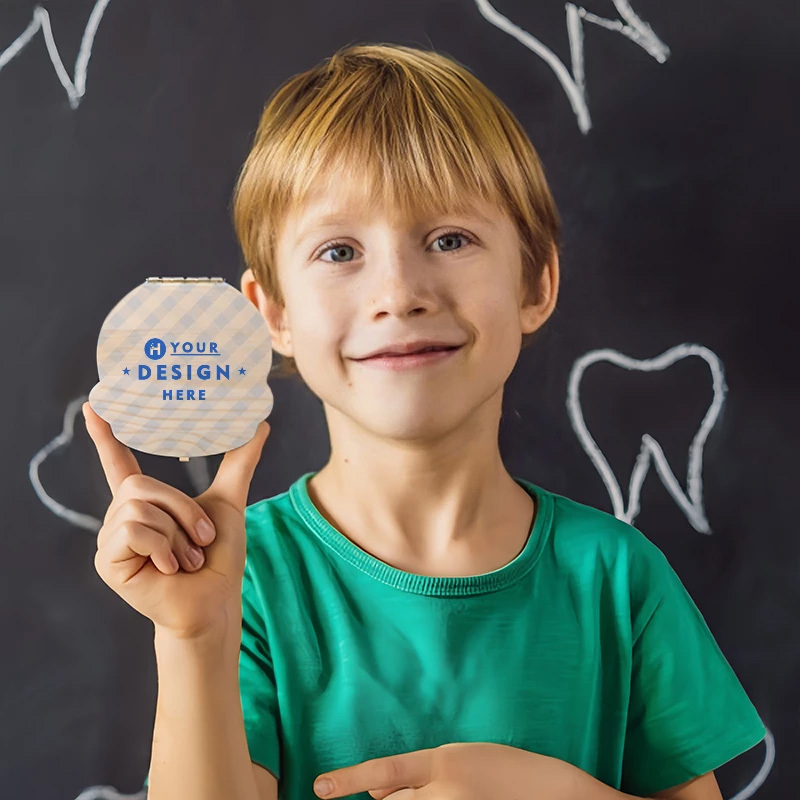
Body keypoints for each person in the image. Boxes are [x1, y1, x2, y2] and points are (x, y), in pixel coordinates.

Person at [86, 43, 765, 800]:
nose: (399, 292)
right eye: (340, 250)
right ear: (271, 315)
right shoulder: (243, 580)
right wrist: (192, 639)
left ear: (536, 283)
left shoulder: (618, 579)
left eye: (449, 240)